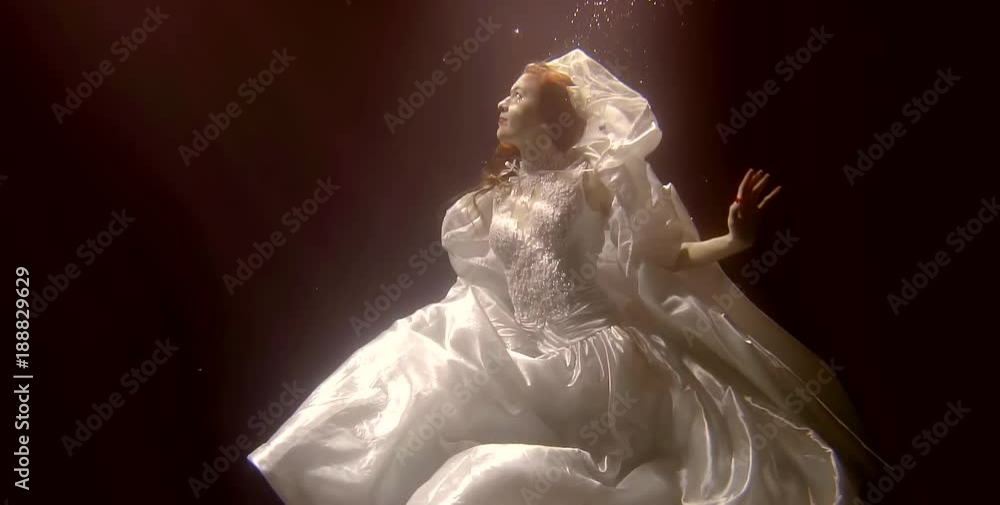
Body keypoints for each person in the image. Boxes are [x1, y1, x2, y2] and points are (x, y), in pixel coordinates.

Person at [249, 48, 885, 504]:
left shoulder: (593, 181)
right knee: (413, 357)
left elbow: (659, 257)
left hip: (594, 356)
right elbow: (496, 284)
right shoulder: (485, 203)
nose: (503, 102)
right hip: (523, 346)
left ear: (554, 115)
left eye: (519, 95)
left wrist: (738, 238)